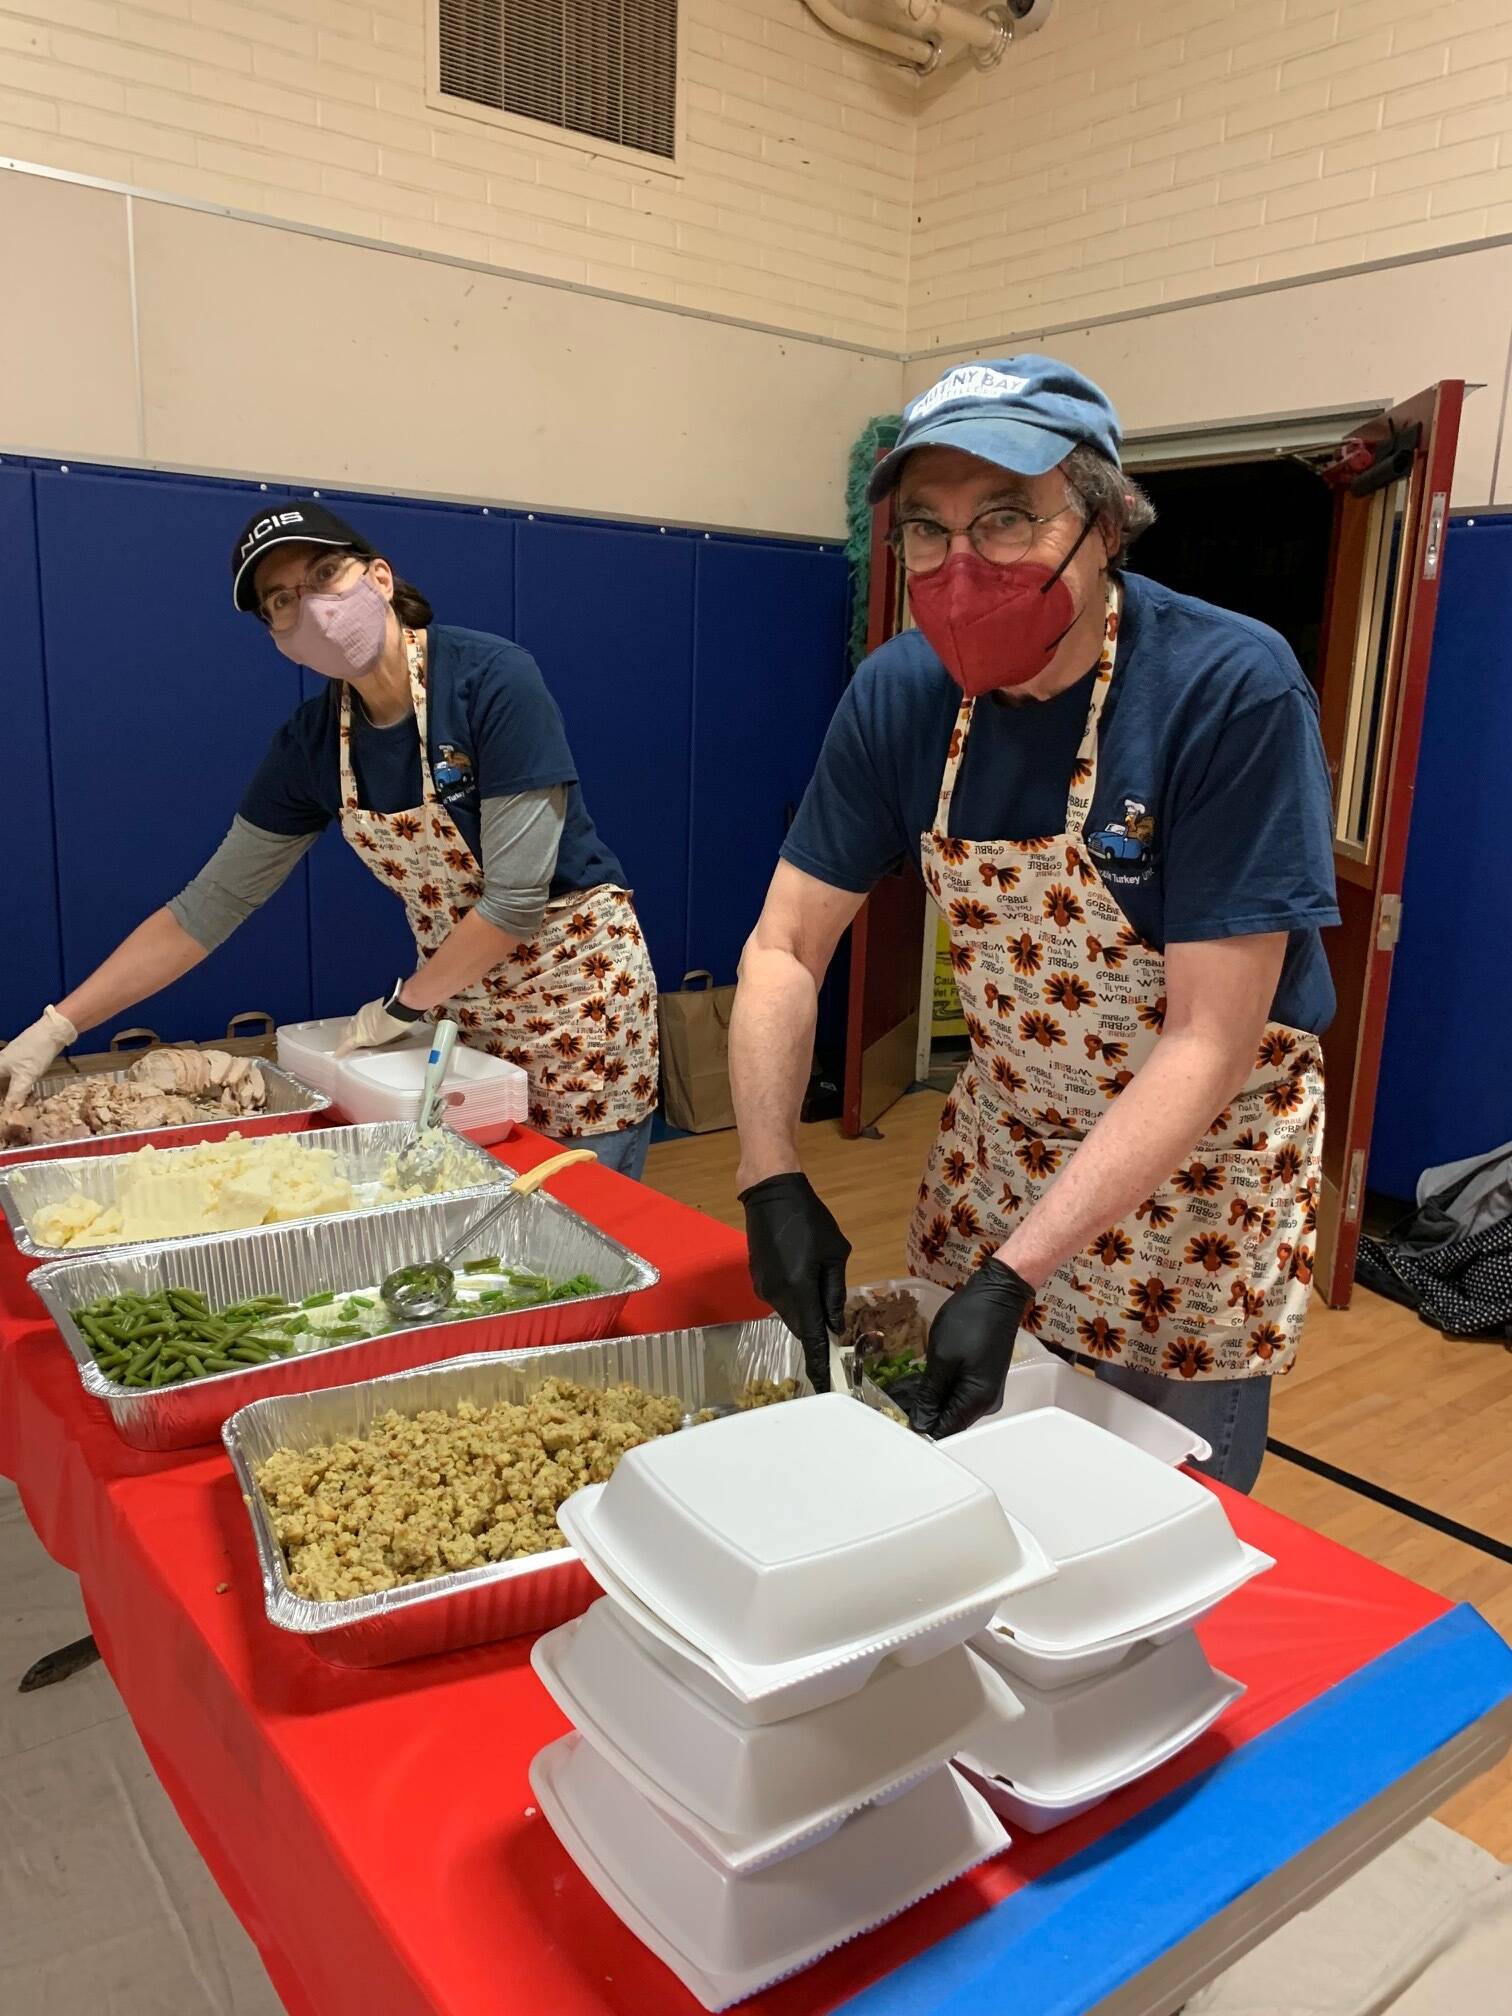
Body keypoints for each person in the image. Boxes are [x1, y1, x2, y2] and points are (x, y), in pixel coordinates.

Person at [732, 356, 1338, 1490]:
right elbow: (784, 945)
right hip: (1004, 1148)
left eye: (1008, 519)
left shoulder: (1227, 689)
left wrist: (1015, 1279)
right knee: (939, 1483)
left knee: (1140, 1509)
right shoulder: (900, 695)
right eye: (927, 530)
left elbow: (1211, 1035)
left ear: (1104, 525)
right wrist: (771, 1176)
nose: (962, 568)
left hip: (1194, 1179)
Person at [0, 502, 659, 1176]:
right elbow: (206, 908)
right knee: (481, 1210)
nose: (310, 608)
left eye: (324, 576)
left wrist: (403, 1006)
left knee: (577, 1212)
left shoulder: (490, 681)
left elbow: (515, 902)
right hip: (459, 1011)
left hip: (575, 998)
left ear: (378, 577)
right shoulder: (313, 745)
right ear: (276, 635)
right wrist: (56, 1028)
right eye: (282, 601)